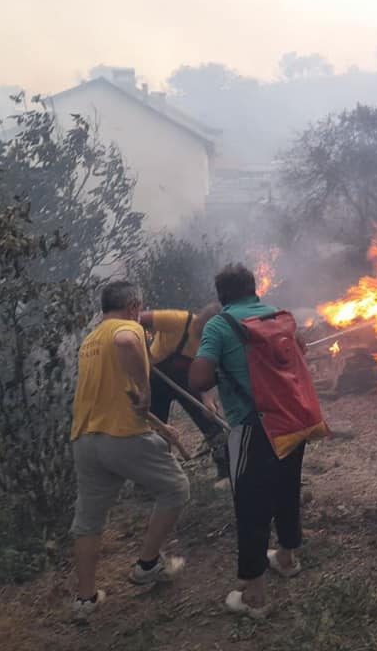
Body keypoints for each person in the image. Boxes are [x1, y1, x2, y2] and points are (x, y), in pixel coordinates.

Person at [189, 264, 312, 618]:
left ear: (222, 295)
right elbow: (300, 354)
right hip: (293, 420)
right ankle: (287, 558)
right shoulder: (279, 317)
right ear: (253, 288)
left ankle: (255, 595)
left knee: (251, 505)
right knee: (287, 488)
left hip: (252, 427)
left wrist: (221, 366)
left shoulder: (219, 325)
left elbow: (198, 379)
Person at [70, 280, 190, 621]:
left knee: (89, 520)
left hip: (85, 439)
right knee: (176, 489)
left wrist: (159, 425)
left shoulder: (90, 341)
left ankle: (85, 600)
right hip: (121, 437)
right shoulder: (126, 329)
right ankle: (147, 565)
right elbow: (128, 351)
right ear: (135, 307)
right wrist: (146, 387)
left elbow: (118, 396)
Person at [140, 303, 230, 483]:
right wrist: (142, 354)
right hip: (157, 379)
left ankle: (226, 471)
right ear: (204, 321)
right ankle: (150, 480)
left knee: (212, 424)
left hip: (187, 382)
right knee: (155, 432)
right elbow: (136, 320)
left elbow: (206, 376)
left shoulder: (210, 342)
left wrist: (208, 401)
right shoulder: (179, 320)